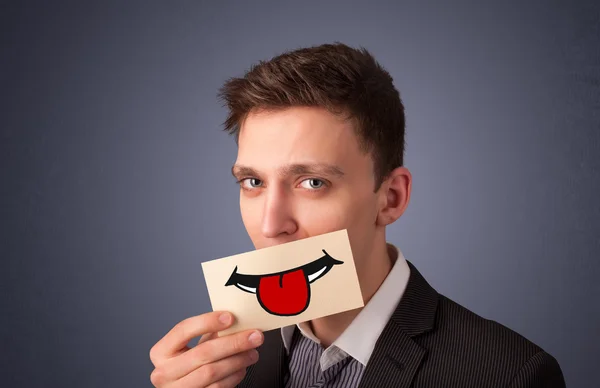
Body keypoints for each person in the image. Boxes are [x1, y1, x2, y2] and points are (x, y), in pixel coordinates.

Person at [149, 43, 566, 388]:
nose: (270, 225)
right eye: (253, 183)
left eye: (312, 182)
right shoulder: (222, 369)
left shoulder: (510, 375)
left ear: (391, 198)